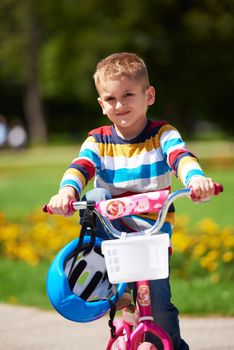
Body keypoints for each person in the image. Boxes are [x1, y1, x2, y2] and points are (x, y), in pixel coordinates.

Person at [48, 52, 215, 349]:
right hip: (111, 233)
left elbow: (181, 157)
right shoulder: (98, 140)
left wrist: (195, 180)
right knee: (95, 196)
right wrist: (66, 192)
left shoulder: (162, 135)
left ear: (148, 95)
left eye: (128, 95)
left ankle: (169, 342)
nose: (120, 105)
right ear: (102, 105)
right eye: (110, 99)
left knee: (159, 305)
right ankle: (114, 287)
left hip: (151, 230)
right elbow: (81, 166)